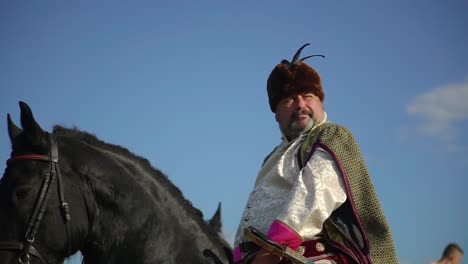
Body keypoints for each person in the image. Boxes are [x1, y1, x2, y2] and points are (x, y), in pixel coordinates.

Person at [233, 43, 398, 264]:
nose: (300, 104)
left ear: (321, 102)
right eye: (289, 100)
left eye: (308, 96)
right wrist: (236, 254)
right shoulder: (271, 157)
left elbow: (315, 191)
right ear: (276, 114)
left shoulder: (333, 135)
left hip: (312, 255)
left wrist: (273, 249)